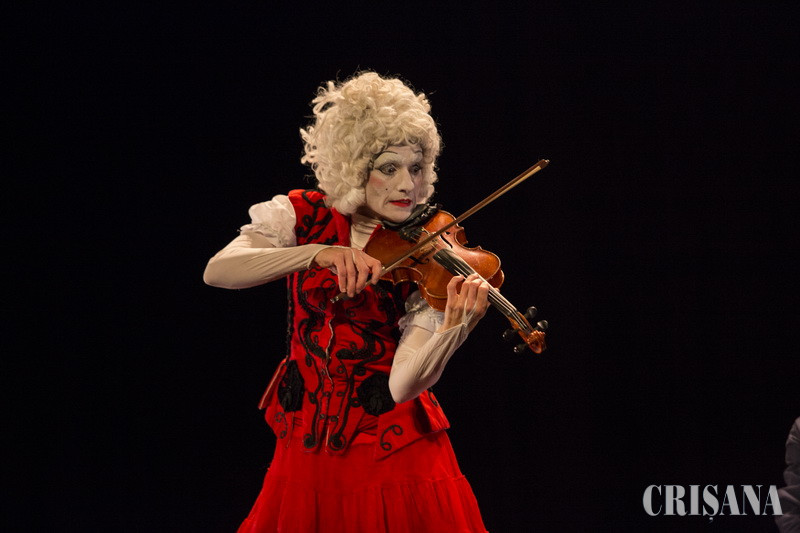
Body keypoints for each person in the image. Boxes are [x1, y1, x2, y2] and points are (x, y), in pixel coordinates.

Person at [204, 71, 491, 533]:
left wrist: (453, 329)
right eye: (389, 167)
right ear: (355, 168)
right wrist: (316, 253)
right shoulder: (301, 215)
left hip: (395, 457)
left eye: (416, 167)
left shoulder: (426, 255)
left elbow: (401, 387)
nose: (408, 185)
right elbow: (219, 271)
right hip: (305, 453)